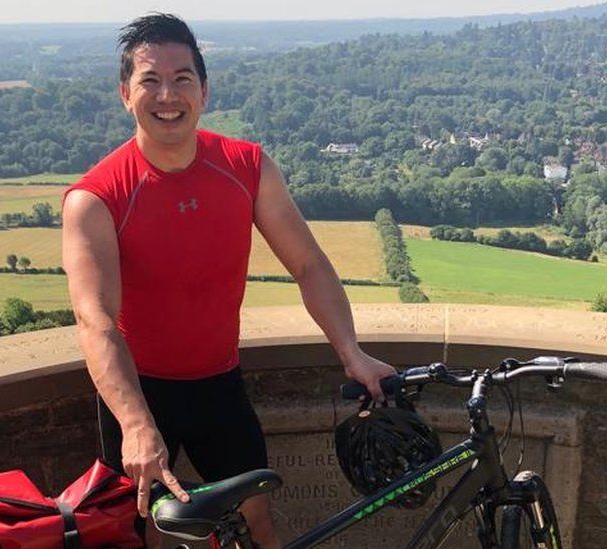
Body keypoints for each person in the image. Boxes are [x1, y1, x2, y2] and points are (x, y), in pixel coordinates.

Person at [61, 13, 395, 548]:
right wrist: (135, 423)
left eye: (182, 78)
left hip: (219, 383)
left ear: (205, 91)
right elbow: (94, 320)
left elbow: (309, 265)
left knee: (257, 524)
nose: (167, 94)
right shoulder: (95, 198)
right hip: (138, 390)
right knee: (142, 535)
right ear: (126, 93)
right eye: (150, 80)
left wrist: (351, 352)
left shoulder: (246, 167)